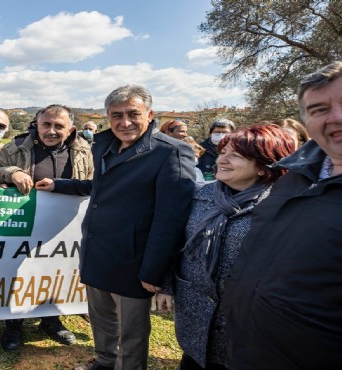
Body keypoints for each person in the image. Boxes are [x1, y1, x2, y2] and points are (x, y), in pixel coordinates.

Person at [36, 85, 195, 370]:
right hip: (98, 251)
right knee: (101, 318)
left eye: (133, 114)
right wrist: (60, 184)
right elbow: (103, 187)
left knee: (132, 332)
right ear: (108, 117)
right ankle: (105, 361)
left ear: (150, 113)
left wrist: (153, 270)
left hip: (134, 260)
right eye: (116, 115)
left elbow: (172, 217)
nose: (125, 123)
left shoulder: (172, 152)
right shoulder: (103, 145)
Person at [223, 61, 342, 369]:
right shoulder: (293, 180)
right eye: (319, 109)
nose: (336, 117)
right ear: (307, 120)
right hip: (250, 351)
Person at [156, 125, 295, 370]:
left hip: (246, 327)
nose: (222, 159)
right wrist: (167, 285)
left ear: (264, 167)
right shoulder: (199, 195)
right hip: (194, 317)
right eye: (222, 152)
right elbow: (174, 243)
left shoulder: (283, 209)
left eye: (235, 155)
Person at [0, 104, 94, 351]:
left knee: (54, 273)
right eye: (46, 124)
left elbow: (92, 182)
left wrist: (61, 186)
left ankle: (51, 320)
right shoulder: (15, 147)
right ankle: (13, 325)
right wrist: (12, 172)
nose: (51, 130)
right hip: (21, 225)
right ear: (37, 123)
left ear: (70, 129)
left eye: (59, 126)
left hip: (64, 227)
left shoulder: (84, 150)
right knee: (18, 274)